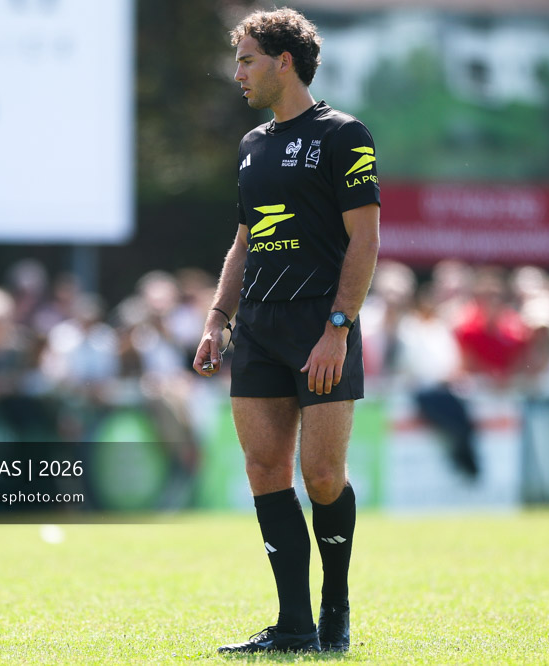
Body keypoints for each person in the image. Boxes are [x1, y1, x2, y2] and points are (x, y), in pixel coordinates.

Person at [192, 8, 380, 654]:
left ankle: (336, 604)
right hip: (261, 329)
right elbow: (243, 242)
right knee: (265, 468)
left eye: (246, 60)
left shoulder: (343, 135)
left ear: (284, 62)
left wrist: (338, 326)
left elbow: (366, 240)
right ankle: (294, 625)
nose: (237, 72)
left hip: (319, 323)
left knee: (323, 475)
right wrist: (217, 320)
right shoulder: (251, 146)